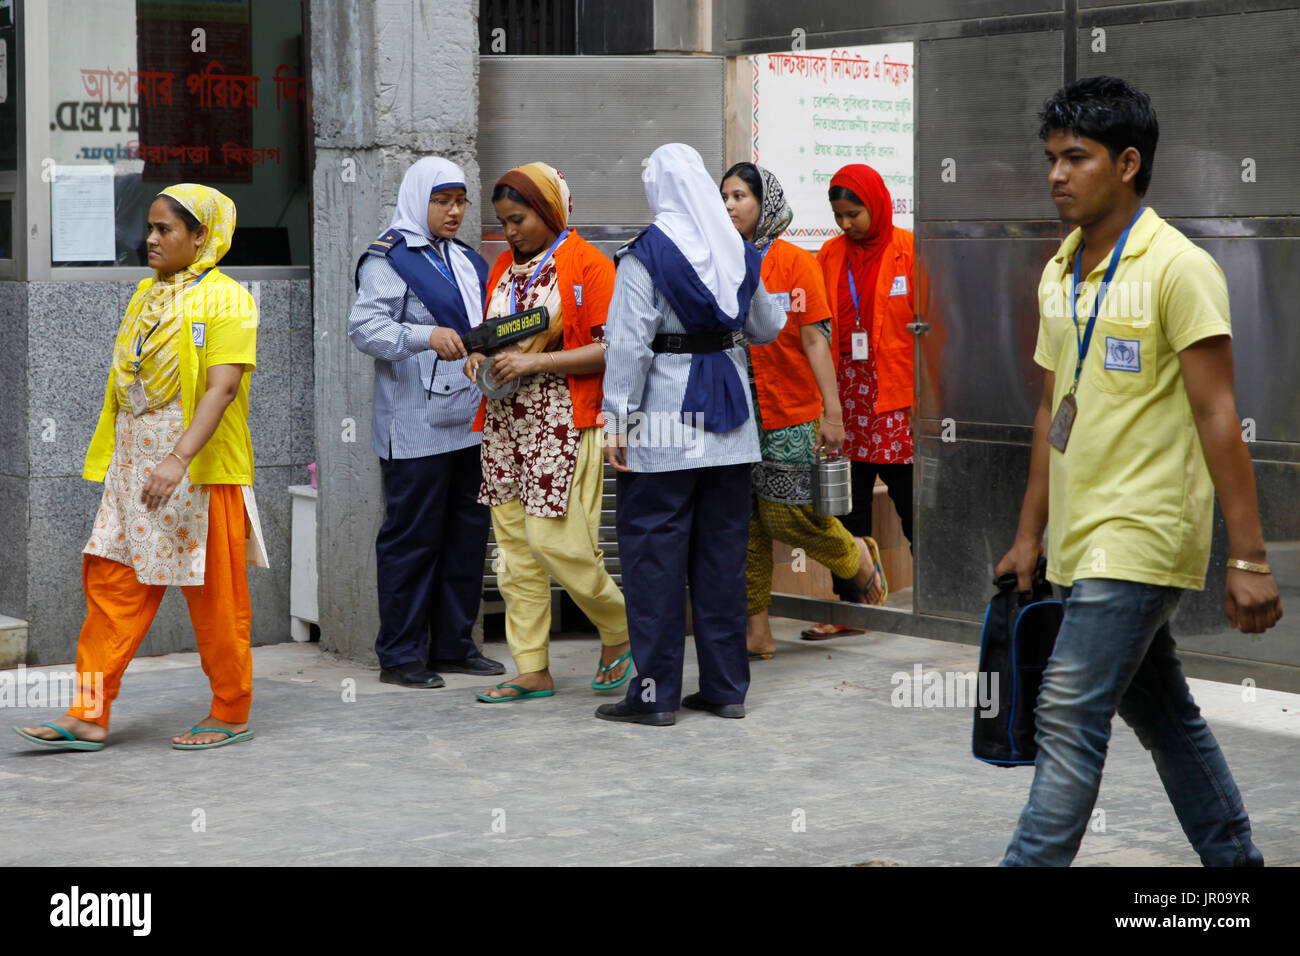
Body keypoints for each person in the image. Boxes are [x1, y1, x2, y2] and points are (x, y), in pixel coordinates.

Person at [997, 76, 1282, 866]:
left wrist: (1249, 557)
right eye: (1051, 158)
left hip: (1145, 530)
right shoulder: (1060, 270)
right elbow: (1053, 407)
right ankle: (1235, 869)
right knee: (1164, 714)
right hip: (1080, 537)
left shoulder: (1179, 268)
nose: (1056, 174)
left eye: (1076, 158)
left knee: (1067, 711)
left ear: (1126, 164)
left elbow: (1218, 416)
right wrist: (1030, 535)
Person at [14, 184, 268, 752]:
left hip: (200, 472)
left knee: (217, 600)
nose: (150, 240)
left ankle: (230, 711)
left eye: (165, 230)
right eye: (149, 228)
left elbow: (223, 388)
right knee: (110, 581)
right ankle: (87, 714)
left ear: (202, 237)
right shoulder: (148, 296)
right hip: (136, 471)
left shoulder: (227, 299)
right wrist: (137, 463)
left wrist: (177, 459)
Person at [597, 143, 785, 726]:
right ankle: (726, 689)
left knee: (655, 562)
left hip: (661, 429)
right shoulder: (737, 250)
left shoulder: (645, 255)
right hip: (731, 427)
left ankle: (653, 699)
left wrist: (615, 421)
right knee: (722, 560)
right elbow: (769, 326)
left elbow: (628, 348)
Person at [463, 162, 632, 702]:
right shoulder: (503, 269)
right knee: (513, 554)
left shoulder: (589, 266)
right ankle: (531, 666)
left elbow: (612, 349)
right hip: (505, 423)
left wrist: (536, 365)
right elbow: (490, 335)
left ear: (550, 212)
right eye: (503, 222)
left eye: (518, 220)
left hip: (562, 420)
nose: (508, 232)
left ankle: (623, 627)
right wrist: (476, 357)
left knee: (557, 542)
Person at [348, 156, 505, 688]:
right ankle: (401, 654)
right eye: (443, 201)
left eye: (460, 201)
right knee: (413, 539)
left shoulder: (463, 259)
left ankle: (455, 645)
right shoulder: (388, 259)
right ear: (420, 200)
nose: (455, 211)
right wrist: (423, 336)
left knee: (466, 533)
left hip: (468, 416)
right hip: (413, 424)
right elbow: (364, 328)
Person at [718, 162, 884, 661]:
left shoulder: (795, 262)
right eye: (724, 196)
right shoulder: (718, 259)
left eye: (740, 195)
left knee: (787, 517)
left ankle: (854, 555)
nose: (730, 205)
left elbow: (816, 340)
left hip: (790, 409)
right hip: (734, 414)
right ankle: (758, 632)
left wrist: (832, 415)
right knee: (745, 526)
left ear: (764, 202)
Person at [802, 163, 917, 638]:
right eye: (838, 216)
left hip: (896, 398)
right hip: (842, 400)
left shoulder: (911, 251)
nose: (846, 225)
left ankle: (944, 600)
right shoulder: (828, 255)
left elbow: (935, 327)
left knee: (914, 503)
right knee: (844, 509)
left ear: (876, 203)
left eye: (854, 214)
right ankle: (849, 609)